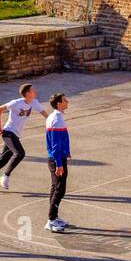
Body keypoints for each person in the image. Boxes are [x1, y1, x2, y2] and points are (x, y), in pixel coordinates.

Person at [0, 81, 47, 191]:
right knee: (20, 153)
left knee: (3, 160)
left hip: (16, 135)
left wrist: (53, 123)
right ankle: (5, 176)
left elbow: (45, 114)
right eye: (33, 90)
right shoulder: (16, 103)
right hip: (8, 132)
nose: (35, 91)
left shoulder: (34, 102)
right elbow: (0, 108)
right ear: (27, 93)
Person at [45, 93, 73, 232]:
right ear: (58, 103)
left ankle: (54, 217)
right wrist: (59, 164)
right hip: (57, 159)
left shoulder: (54, 117)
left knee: (55, 187)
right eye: (64, 100)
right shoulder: (57, 120)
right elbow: (55, 144)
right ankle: (51, 220)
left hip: (56, 157)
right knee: (59, 190)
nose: (67, 101)